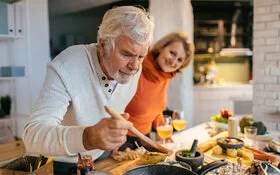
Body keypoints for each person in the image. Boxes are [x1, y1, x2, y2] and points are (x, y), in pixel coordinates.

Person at [22, 6, 154, 174]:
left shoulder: (133, 68)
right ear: (103, 44)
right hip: (57, 164)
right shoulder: (68, 66)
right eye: (126, 54)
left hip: (100, 158)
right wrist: (88, 137)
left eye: (141, 57)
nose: (134, 66)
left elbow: (109, 107)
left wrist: (112, 136)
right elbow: (33, 136)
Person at [120, 31, 194, 150]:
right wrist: (114, 140)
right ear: (161, 48)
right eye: (172, 53)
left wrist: (164, 131)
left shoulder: (165, 76)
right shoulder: (136, 68)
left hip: (145, 139)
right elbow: (114, 106)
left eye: (180, 60)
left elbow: (155, 108)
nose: (173, 62)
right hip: (122, 141)